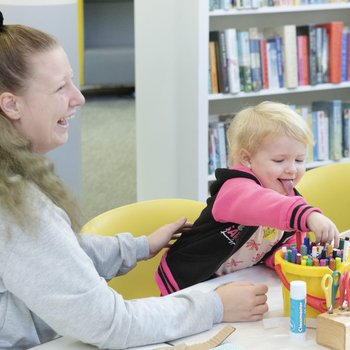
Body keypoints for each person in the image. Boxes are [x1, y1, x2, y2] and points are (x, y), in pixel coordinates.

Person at [0, 13, 269, 350]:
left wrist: (139, 247)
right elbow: (112, 325)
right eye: (60, 87)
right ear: (11, 105)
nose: (78, 98)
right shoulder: (17, 210)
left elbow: (54, 255)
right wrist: (216, 305)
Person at [156, 101, 340, 296]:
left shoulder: (287, 198)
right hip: (189, 282)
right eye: (279, 160)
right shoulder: (236, 189)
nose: (292, 169)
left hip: (232, 282)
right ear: (247, 159)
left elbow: (280, 241)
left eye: (299, 160)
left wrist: (285, 259)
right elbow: (264, 205)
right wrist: (308, 215)